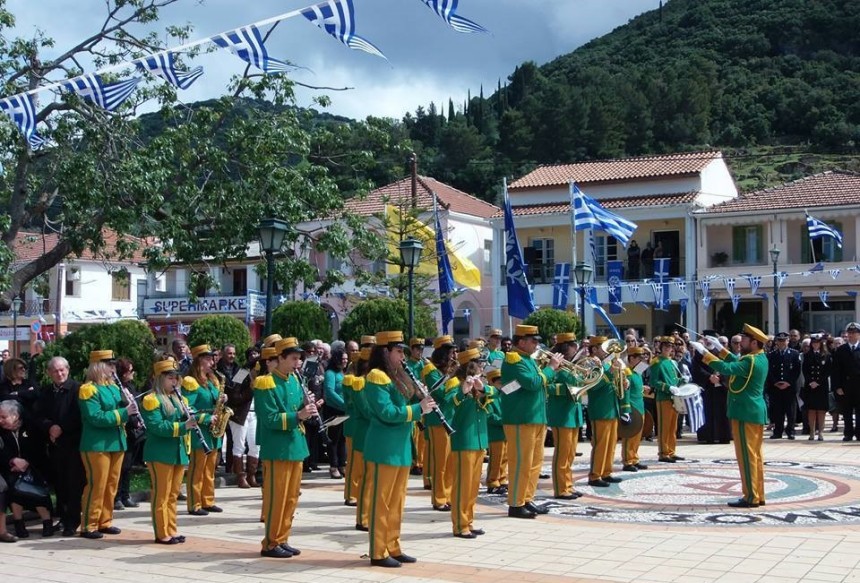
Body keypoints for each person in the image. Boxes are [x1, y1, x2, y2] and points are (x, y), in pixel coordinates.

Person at [363, 330, 436, 568]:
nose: (402, 355)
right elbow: (386, 412)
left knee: (397, 502)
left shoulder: (400, 374)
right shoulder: (376, 376)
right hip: (384, 447)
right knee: (381, 502)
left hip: (401, 447)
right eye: (398, 351)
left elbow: (407, 404)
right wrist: (418, 410)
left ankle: (393, 545)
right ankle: (378, 550)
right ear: (385, 352)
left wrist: (421, 399)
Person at [254, 337, 323, 559]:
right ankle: (271, 543)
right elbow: (270, 418)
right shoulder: (266, 382)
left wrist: (308, 407)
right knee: (278, 497)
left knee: (292, 496)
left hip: (295, 446)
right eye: (294, 358)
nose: (298, 363)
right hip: (278, 448)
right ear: (280, 358)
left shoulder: (294, 380)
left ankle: (283, 538)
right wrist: (299, 415)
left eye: (299, 358)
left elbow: (297, 411)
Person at [692, 324, 769, 507]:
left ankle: (751, 497)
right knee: (756, 456)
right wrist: (720, 348)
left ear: (754, 342)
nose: (741, 341)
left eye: (745, 339)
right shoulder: (759, 358)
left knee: (746, 456)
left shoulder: (750, 361)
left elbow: (726, 368)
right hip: (753, 411)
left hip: (745, 412)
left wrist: (705, 353)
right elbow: (736, 360)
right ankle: (758, 494)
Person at [500, 325, 560, 519]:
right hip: (520, 418)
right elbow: (532, 383)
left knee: (535, 462)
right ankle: (515, 504)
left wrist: (548, 372)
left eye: (537, 341)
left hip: (535, 417)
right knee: (520, 462)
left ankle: (527, 498)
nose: (537, 344)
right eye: (533, 341)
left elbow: (539, 383)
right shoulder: (514, 360)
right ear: (521, 341)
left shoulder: (528, 360)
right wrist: (550, 368)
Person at [78, 350, 131, 539]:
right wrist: (124, 413)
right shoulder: (88, 389)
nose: (113, 368)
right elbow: (96, 417)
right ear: (99, 366)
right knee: (97, 484)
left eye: (113, 365)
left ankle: (105, 521)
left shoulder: (114, 387)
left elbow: (120, 411)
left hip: (116, 441)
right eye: (109, 365)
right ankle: (89, 524)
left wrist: (128, 402)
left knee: (111, 485)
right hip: (96, 444)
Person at [141, 359, 194, 545]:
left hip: (177, 452)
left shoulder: (178, 399)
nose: (174, 381)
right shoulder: (151, 400)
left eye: (176, 378)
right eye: (170, 378)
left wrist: (203, 418)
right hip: (160, 453)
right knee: (161, 495)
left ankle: (171, 529)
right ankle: (161, 532)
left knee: (173, 495)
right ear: (159, 379)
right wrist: (183, 426)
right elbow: (157, 426)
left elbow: (187, 418)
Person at [33, 356, 84, 537]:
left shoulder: (78, 389)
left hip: (73, 444)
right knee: (60, 484)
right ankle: (62, 518)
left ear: (68, 370)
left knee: (74, 484)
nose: (59, 373)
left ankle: (73, 520)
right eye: (55, 371)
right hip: (55, 445)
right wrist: (49, 427)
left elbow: (79, 415)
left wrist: (61, 428)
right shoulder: (46, 392)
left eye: (62, 370)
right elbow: (38, 415)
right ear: (49, 373)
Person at [449, 348, 494, 538]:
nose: (482, 369)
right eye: (479, 365)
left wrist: (481, 388)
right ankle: (460, 525)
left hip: (479, 439)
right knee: (462, 485)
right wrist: (463, 391)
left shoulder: (480, 383)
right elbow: (450, 405)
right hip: (464, 440)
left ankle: (469, 520)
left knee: (474, 485)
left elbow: (494, 396)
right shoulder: (454, 384)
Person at [0, 399, 54, 538]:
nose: (0, 420)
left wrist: (27, 462)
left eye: (3, 417)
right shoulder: (1, 432)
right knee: (12, 486)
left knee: (35, 484)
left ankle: (47, 522)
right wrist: (12, 461)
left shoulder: (31, 427)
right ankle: (19, 523)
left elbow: (40, 450)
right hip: (10, 469)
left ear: (15, 416)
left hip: (35, 466)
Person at [182, 344, 225, 515]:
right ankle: (194, 503)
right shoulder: (191, 382)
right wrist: (206, 418)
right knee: (197, 468)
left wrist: (223, 399)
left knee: (209, 469)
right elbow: (187, 407)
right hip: (199, 430)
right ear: (199, 361)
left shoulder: (212, 380)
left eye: (212, 358)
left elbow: (215, 400)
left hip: (213, 430)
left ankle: (208, 500)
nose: (211, 362)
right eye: (208, 359)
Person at [421, 335, 459, 511]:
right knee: (440, 462)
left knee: (450, 462)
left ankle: (449, 495)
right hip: (437, 421)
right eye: (450, 351)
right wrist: (456, 377)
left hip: (451, 419)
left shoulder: (446, 371)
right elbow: (442, 393)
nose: (453, 355)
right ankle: (438, 498)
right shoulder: (430, 370)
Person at [546, 333, 584, 499]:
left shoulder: (573, 366)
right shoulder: (554, 366)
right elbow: (548, 387)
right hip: (561, 415)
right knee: (562, 453)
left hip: (573, 413)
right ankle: (560, 488)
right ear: (564, 347)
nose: (576, 347)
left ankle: (568, 484)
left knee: (570, 453)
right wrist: (566, 389)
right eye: (572, 344)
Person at [586, 337, 628, 486]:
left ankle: (606, 471)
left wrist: (623, 381)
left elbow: (614, 386)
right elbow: (592, 386)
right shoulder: (589, 363)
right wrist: (610, 373)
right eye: (602, 347)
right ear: (594, 349)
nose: (606, 351)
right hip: (600, 409)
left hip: (612, 408)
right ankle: (595, 475)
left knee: (611, 444)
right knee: (600, 444)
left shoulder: (607, 363)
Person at [225, 347, 259, 489]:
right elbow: (233, 394)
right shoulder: (242, 372)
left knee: (255, 445)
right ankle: (240, 476)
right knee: (239, 445)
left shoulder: (265, 376)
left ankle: (252, 474)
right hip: (240, 414)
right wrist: (250, 391)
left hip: (255, 413)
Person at [113, 357, 142, 511]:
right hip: (125, 430)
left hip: (134, 432)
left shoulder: (129, 387)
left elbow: (136, 405)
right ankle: (116, 497)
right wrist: (132, 420)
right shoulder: (118, 389)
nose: (133, 373)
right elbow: (123, 408)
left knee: (128, 466)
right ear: (123, 373)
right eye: (130, 371)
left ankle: (125, 495)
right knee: (121, 467)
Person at [766, 332, 801, 440]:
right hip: (775, 387)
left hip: (789, 387)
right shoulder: (771, 355)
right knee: (777, 411)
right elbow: (769, 371)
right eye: (779, 341)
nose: (782, 343)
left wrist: (788, 382)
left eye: (784, 340)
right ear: (776, 342)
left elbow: (796, 370)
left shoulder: (795, 354)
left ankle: (790, 431)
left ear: (788, 341)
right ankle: (778, 431)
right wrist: (775, 382)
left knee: (790, 411)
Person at [830, 322, 860, 442]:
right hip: (845, 386)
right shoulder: (841, 350)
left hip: (859, 386)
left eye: (854, 333)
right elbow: (836, 370)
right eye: (850, 333)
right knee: (846, 412)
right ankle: (848, 433)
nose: (851, 335)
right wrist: (837, 386)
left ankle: (859, 433)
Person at [621, 346, 649, 472]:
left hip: (640, 407)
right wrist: (626, 410)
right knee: (630, 437)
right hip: (632, 408)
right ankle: (627, 461)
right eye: (639, 358)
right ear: (631, 358)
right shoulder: (627, 372)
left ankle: (634, 458)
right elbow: (626, 392)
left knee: (637, 437)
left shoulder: (637, 372)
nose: (642, 360)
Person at [323, 348, 349, 480]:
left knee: (343, 439)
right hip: (333, 410)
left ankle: (342, 464)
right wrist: (344, 404)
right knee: (333, 439)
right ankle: (333, 466)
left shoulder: (342, 373)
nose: (345, 361)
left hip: (344, 411)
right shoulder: (330, 373)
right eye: (342, 358)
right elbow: (330, 392)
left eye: (346, 358)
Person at [802, 334, 831, 441]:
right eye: (813, 343)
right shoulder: (807, 355)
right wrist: (811, 382)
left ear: (821, 344)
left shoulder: (826, 355)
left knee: (821, 410)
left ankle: (821, 432)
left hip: (821, 386)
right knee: (811, 410)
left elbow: (827, 371)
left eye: (817, 343)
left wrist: (818, 382)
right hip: (810, 386)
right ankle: (812, 432)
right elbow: (805, 370)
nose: (815, 345)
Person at [484, 369, 507, 495]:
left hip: (504, 432)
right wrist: (503, 420)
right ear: (492, 383)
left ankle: (502, 479)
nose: (502, 384)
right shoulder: (489, 397)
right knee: (496, 458)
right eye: (499, 382)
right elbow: (489, 416)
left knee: (505, 457)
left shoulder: (503, 395)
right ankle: (492, 482)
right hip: (495, 432)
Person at [405, 338, 426, 477]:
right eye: (417, 348)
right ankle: (415, 462)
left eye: (421, 349)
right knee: (414, 435)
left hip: (424, 401)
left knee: (423, 436)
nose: (420, 351)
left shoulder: (424, 364)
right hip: (413, 401)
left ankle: (422, 462)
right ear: (411, 349)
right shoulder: (407, 365)